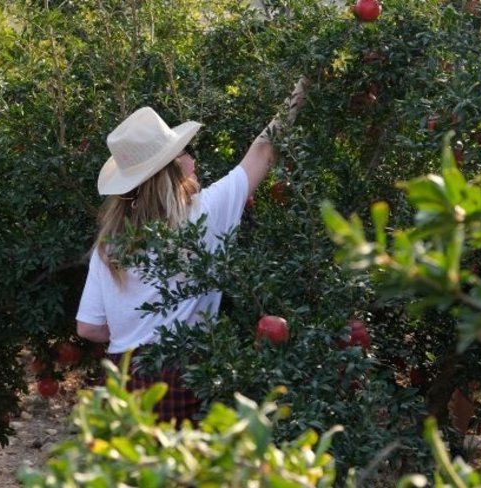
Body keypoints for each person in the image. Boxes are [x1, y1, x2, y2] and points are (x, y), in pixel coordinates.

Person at [75, 77, 309, 424]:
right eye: (184, 153)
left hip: (123, 380)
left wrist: (135, 328)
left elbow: (88, 328)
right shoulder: (204, 213)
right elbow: (264, 149)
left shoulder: (109, 244)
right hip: (182, 374)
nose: (192, 160)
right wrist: (302, 88)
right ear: (172, 169)